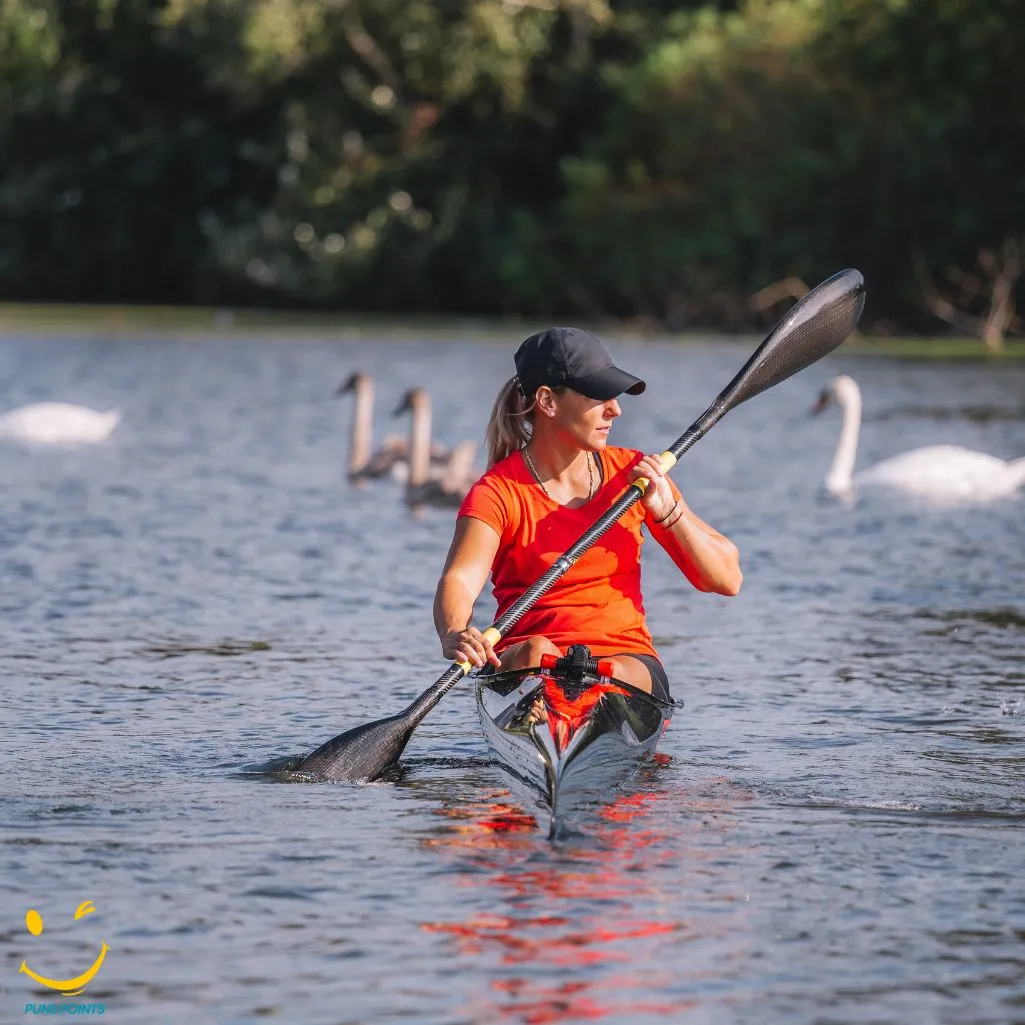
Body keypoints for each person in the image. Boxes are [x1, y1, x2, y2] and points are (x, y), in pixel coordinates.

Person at [433, 327, 743, 701]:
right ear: (547, 401)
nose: (616, 409)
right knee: (537, 650)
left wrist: (667, 512)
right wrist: (455, 633)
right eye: (599, 396)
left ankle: (578, 715)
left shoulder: (635, 475)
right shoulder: (497, 492)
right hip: (528, 663)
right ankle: (553, 717)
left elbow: (727, 579)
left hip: (624, 662)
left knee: (623, 672)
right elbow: (461, 581)